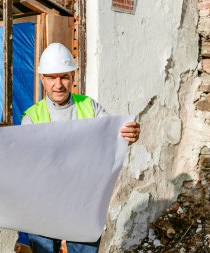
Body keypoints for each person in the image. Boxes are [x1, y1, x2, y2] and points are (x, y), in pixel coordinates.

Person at [20, 43, 141, 253]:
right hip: (44, 203)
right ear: (42, 79)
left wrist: (128, 135)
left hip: (84, 202)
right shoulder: (32, 116)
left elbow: (113, 134)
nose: (58, 84)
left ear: (73, 77)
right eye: (51, 77)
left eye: (64, 77)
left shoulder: (89, 106)